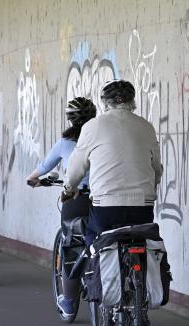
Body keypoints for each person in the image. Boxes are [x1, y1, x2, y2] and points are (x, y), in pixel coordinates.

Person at [63, 80, 162, 246]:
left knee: (94, 243)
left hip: (106, 205)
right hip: (142, 205)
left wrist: (68, 188)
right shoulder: (146, 127)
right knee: (142, 243)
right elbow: (156, 169)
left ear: (104, 102)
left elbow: (76, 168)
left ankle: (93, 267)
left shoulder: (92, 126)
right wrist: (151, 187)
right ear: (132, 101)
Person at [26, 96, 96, 318]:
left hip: (77, 198)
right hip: (105, 198)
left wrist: (33, 179)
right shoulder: (101, 137)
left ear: (69, 119)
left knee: (71, 246)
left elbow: (44, 167)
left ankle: (68, 301)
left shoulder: (65, 143)